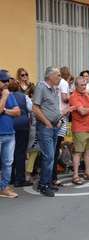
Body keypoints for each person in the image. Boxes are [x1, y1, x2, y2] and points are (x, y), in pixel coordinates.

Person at [32, 67, 72, 197]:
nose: (60, 78)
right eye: (58, 75)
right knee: (48, 156)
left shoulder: (54, 88)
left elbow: (53, 108)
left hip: (55, 126)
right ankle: (44, 185)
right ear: (50, 76)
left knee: (51, 156)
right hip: (46, 127)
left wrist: (58, 120)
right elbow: (35, 108)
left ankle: (47, 183)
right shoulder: (41, 87)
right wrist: (47, 122)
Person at [0, 70, 21, 198]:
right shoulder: (7, 95)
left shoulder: (10, 94)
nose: (7, 83)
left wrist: (5, 111)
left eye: (8, 80)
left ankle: (4, 187)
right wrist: (5, 97)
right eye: (4, 81)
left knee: (8, 162)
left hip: (10, 134)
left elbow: (18, 112)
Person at [9, 79, 33, 188]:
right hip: (22, 126)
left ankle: (10, 178)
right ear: (18, 87)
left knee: (9, 152)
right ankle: (20, 179)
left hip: (9, 126)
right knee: (20, 153)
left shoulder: (5, 97)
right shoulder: (24, 97)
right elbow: (31, 108)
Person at [52, 66, 71, 188]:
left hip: (55, 116)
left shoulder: (55, 84)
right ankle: (52, 178)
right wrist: (73, 97)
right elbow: (65, 98)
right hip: (61, 118)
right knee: (55, 149)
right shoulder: (63, 83)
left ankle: (52, 176)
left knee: (54, 149)